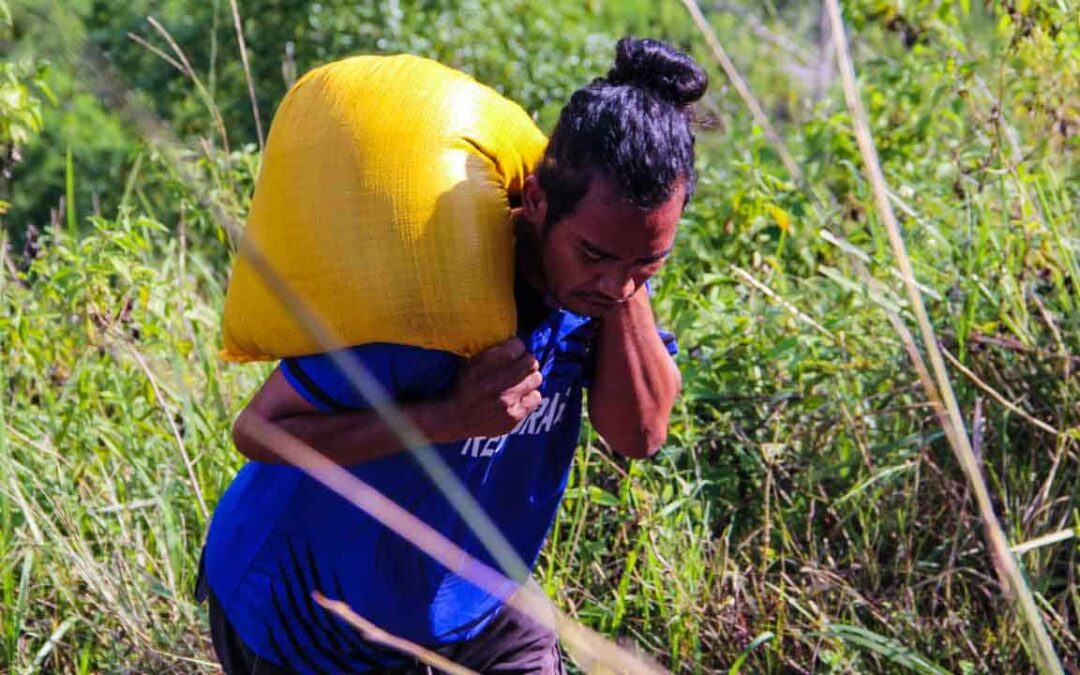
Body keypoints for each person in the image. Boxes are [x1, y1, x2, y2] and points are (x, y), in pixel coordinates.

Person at [199, 36, 708, 674]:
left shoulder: (607, 294)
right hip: (306, 619)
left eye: (648, 262)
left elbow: (640, 432)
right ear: (539, 203)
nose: (615, 284)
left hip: (476, 606)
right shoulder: (432, 291)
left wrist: (624, 276)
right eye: (595, 255)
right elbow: (260, 431)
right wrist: (449, 417)